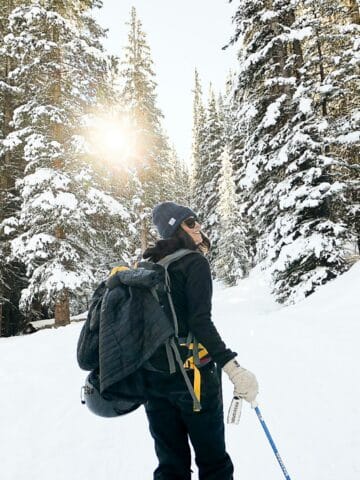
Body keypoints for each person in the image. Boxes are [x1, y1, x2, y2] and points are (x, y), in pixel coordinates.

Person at [143, 201, 259, 480]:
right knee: (214, 464)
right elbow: (200, 321)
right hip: (194, 378)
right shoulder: (194, 263)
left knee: (170, 466)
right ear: (177, 229)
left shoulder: (148, 266)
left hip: (154, 381)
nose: (199, 226)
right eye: (192, 222)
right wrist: (233, 368)